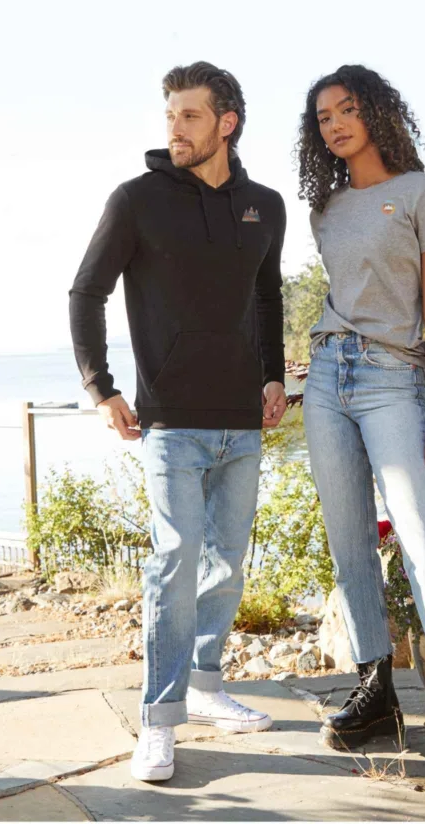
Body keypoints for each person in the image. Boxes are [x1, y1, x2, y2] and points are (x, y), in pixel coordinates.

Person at [70, 61, 288, 782]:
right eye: (170, 116)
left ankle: (207, 683)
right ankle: (159, 722)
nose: (175, 129)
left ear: (226, 122)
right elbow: (86, 291)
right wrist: (102, 388)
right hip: (170, 420)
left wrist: (273, 376)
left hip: (242, 421)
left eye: (190, 116)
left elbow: (266, 301)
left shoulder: (265, 205)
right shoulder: (136, 201)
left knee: (227, 565)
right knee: (174, 565)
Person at [295, 64, 425, 792]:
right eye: (323, 117)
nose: (337, 123)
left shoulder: (423, 195)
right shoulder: (326, 209)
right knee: (349, 539)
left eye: (349, 109)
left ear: (377, 113)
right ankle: (376, 688)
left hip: (391, 379)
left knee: (421, 537)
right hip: (326, 379)